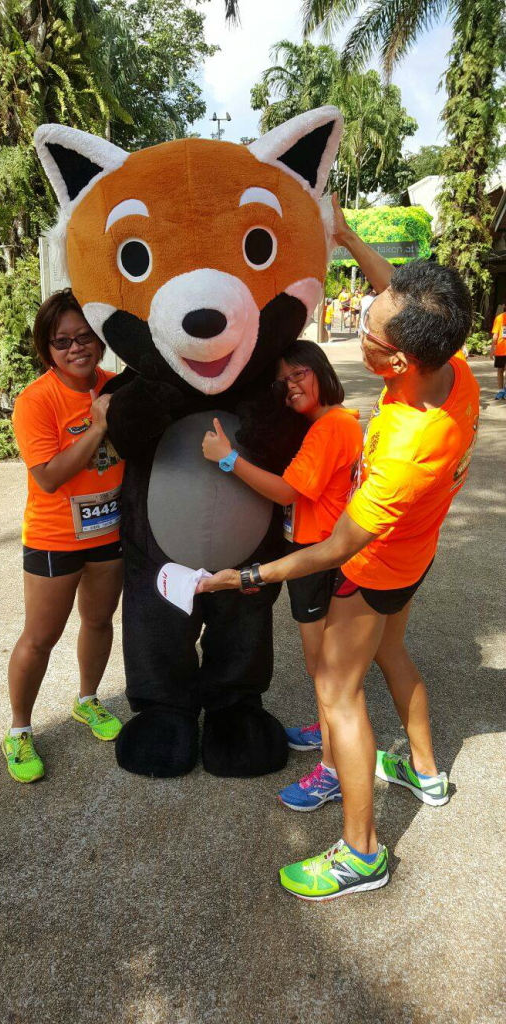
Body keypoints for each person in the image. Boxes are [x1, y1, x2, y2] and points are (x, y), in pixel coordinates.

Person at [197, 193, 479, 902]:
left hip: (375, 565)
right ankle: (425, 769)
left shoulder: (408, 450)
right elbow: (396, 295)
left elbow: (334, 549)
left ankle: (361, 853)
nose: (364, 335)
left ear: (399, 359)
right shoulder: (452, 368)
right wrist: (348, 234)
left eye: (373, 336)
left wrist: (249, 575)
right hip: (417, 555)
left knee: (338, 691)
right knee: (392, 654)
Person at [202, 341, 362, 767]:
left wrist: (227, 459)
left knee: (322, 670)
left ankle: (332, 764)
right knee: (325, 666)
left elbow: (287, 490)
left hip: (318, 556)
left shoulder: (330, 428)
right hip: (320, 551)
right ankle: (326, 727)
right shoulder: (336, 423)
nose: (290, 386)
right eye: (283, 380)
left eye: (299, 374)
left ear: (321, 371)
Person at [3, 289, 125, 784]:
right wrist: (96, 428)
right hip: (55, 539)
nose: (77, 347)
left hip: (109, 530)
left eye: (85, 336)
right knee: (40, 637)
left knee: (98, 622)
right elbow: (49, 477)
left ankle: (88, 701)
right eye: (62, 341)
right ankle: (18, 730)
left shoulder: (118, 385)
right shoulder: (36, 402)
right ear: (46, 349)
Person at [490, 305, 506, 398]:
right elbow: (495, 334)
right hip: (501, 349)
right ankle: (500, 391)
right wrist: (492, 349)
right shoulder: (499, 318)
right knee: (500, 370)